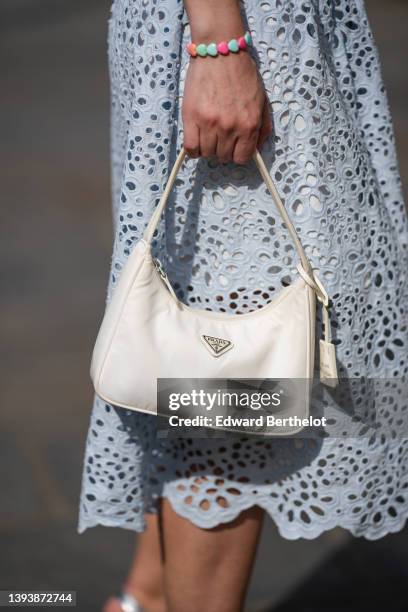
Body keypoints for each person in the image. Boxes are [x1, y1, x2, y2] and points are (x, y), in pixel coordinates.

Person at [78, 0, 408, 611]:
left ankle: (142, 600)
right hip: (241, 33)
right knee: (222, 401)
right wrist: (217, 41)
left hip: (277, 31)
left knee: (202, 366)